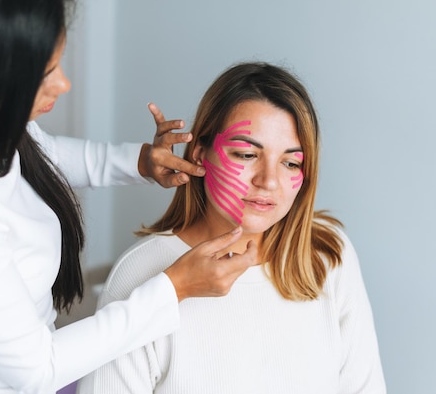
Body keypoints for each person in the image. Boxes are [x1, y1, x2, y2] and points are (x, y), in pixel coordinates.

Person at [0, 0, 257, 393]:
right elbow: (38, 368)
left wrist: (139, 160)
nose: (63, 85)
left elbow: (40, 153)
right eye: (45, 72)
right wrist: (174, 288)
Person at [77, 62, 386, 394]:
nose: (268, 181)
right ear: (199, 154)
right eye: (245, 154)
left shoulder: (327, 254)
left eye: (290, 162)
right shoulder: (140, 271)